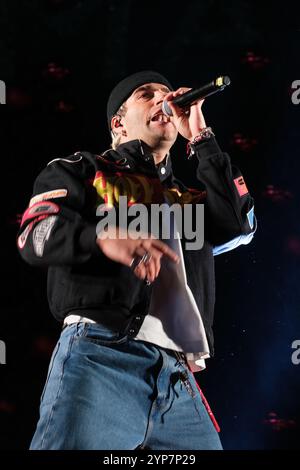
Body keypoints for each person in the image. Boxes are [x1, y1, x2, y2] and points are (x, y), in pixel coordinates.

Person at [17, 70, 256, 450]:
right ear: (118, 123)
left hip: (177, 380)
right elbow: (34, 234)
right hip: (101, 355)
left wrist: (200, 135)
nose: (163, 100)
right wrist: (100, 237)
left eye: (167, 93)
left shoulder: (189, 198)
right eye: (147, 94)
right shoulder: (83, 170)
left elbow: (240, 224)